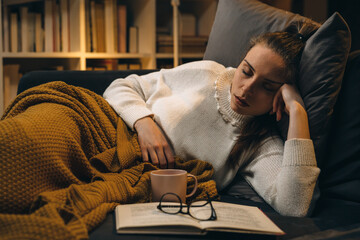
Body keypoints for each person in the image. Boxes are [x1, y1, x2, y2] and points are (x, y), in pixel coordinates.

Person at [103, 20, 321, 217]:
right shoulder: (208, 74)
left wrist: (297, 111)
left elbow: (295, 206)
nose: (246, 89)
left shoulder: (260, 143)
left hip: (125, 170)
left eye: (267, 86)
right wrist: (143, 122)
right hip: (104, 126)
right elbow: (122, 86)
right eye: (246, 71)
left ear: (280, 96)